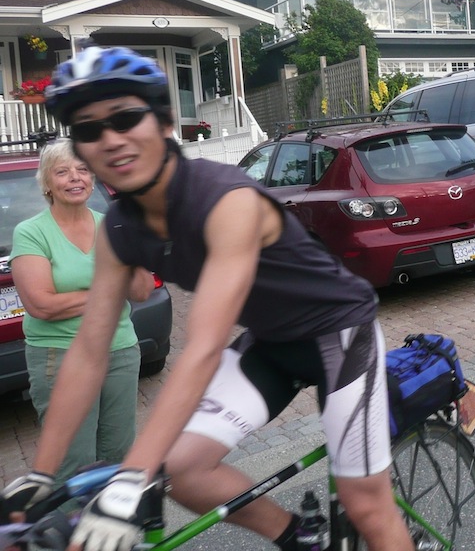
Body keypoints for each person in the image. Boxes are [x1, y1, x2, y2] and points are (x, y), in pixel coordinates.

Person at [0, 46, 412, 551]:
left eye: (126, 118)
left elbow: (201, 348)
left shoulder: (225, 201)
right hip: (272, 342)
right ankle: (300, 535)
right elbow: (88, 350)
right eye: (88, 129)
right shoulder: (120, 229)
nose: (110, 139)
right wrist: (41, 475)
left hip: (339, 333)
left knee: (365, 505)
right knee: (181, 470)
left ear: (164, 122)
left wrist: (131, 478)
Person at [10, 139, 153, 485]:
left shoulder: (113, 225)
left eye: (83, 169)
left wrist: (133, 239)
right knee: (72, 463)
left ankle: (110, 518)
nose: (75, 178)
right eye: (62, 172)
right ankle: (70, 521)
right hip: (60, 354)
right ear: (47, 183)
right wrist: (111, 292)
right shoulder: (31, 232)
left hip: (119, 350)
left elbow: (141, 290)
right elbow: (42, 305)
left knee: (118, 455)